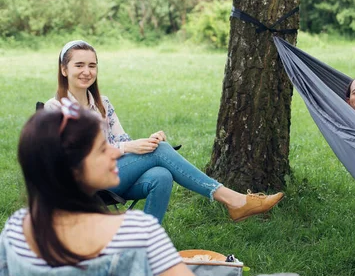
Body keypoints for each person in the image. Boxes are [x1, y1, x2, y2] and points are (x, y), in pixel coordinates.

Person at [2, 104, 287, 276]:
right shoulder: (136, 231)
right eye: (102, 150)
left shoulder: (16, 230)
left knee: (161, 174)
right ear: (71, 168)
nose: (116, 152)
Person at [46, 40, 284, 224]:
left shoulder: (101, 103)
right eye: (79, 65)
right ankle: (233, 200)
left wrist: (145, 143)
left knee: (161, 174)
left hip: (113, 175)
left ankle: (146, 248)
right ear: (64, 70)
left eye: (92, 65)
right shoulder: (55, 108)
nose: (86, 71)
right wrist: (129, 148)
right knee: (160, 151)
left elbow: (122, 140)